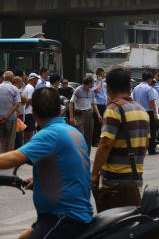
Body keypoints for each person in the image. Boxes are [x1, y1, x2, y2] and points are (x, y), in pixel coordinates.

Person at [0, 87, 92, 239]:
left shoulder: (50, 134)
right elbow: (67, 168)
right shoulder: (72, 131)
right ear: (59, 109)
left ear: (34, 112)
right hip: (66, 214)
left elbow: (15, 157)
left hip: (64, 217)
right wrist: (40, 180)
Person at [91, 68, 150, 201]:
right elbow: (145, 144)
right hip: (135, 179)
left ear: (108, 89)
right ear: (129, 88)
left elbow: (105, 144)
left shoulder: (113, 109)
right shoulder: (142, 110)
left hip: (115, 181)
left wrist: (94, 173)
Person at [69, 76, 101, 155]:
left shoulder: (91, 91)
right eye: (92, 83)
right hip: (80, 115)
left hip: (89, 114)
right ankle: (78, 154)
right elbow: (71, 103)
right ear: (89, 83)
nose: (93, 84)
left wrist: (98, 114)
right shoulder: (78, 90)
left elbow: (93, 103)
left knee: (89, 135)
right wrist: (71, 118)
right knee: (80, 135)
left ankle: (87, 154)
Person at [132, 71, 159, 155]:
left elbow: (134, 101)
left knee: (140, 131)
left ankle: (139, 149)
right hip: (148, 112)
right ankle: (151, 149)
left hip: (138, 111)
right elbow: (152, 102)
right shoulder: (149, 88)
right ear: (149, 79)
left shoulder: (136, 88)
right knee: (151, 131)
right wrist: (155, 114)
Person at [0, 71, 21, 153]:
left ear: (3, 77)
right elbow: (17, 104)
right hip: (11, 119)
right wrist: (7, 115)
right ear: (12, 79)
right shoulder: (15, 89)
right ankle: (8, 162)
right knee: (10, 141)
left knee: (1, 141)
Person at [93, 68, 108, 147]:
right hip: (97, 105)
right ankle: (95, 141)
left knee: (103, 123)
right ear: (98, 75)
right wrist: (100, 81)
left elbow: (106, 94)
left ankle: (100, 139)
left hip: (104, 105)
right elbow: (98, 90)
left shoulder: (104, 84)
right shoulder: (95, 83)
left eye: (104, 74)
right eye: (102, 74)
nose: (104, 75)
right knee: (97, 123)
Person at [23, 73, 38, 143]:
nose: (37, 81)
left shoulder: (26, 86)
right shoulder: (31, 88)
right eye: (36, 79)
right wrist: (24, 108)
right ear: (33, 79)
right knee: (29, 135)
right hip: (29, 113)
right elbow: (29, 100)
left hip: (26, 114)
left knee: (26, 135)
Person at [13, 75, 25, 149]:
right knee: (19, 137)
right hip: (16, 116)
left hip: (15, 115)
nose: (22, 83)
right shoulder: (16, 90)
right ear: (17, 82)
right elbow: (23, 101)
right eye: (21, 82)